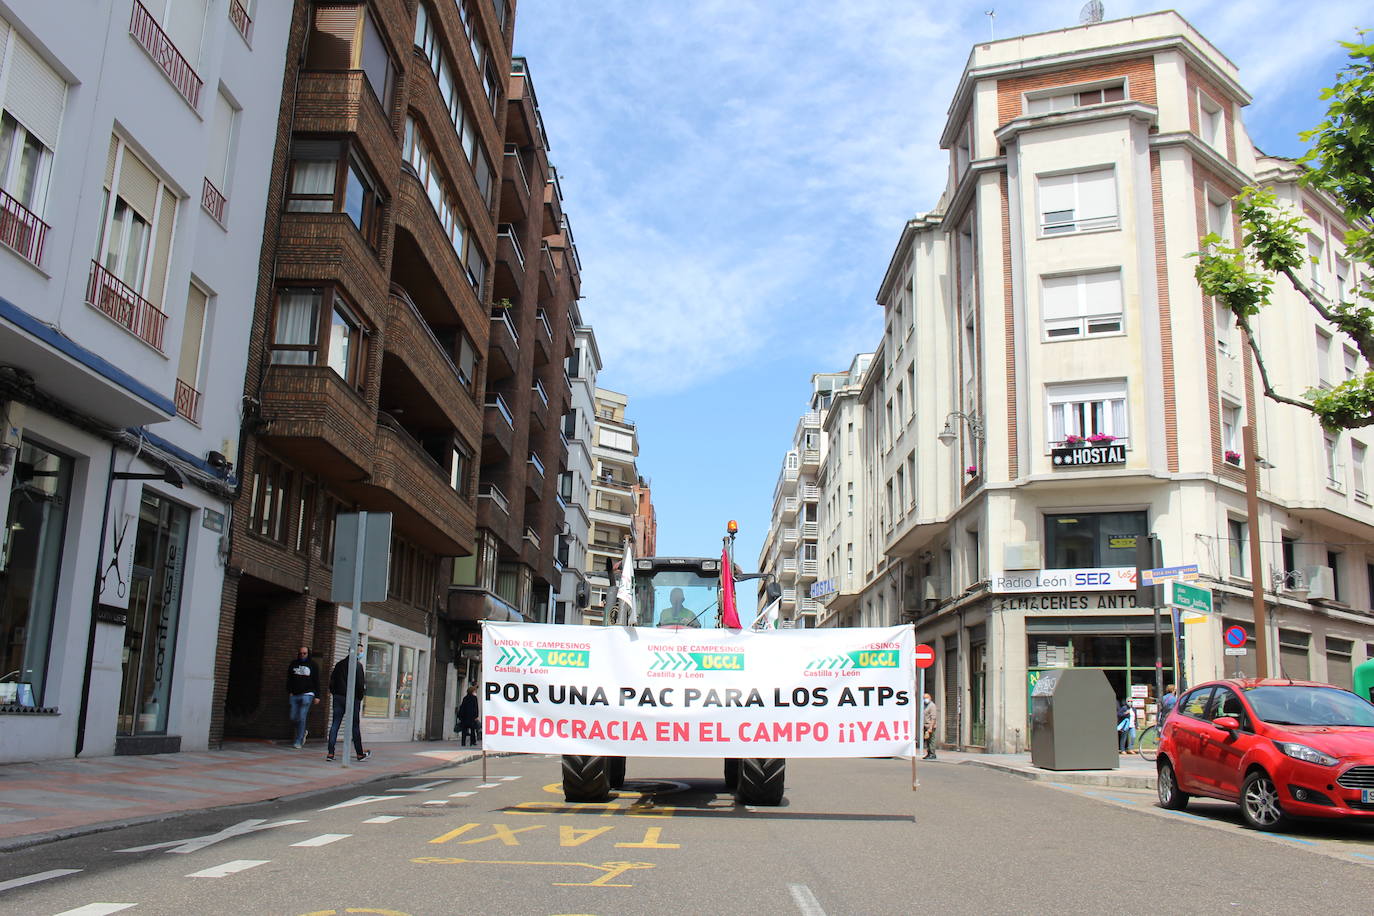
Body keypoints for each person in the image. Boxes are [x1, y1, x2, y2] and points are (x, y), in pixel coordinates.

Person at [328, 645, 371, 762]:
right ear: (355, 652)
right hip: (352, 699)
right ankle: (359, 754)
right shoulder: (358, 666)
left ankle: (330, 753)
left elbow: (332, 681)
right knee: (355, 726)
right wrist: (359, 698)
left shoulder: (339, 664)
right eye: (360, 651)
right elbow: (360, 685)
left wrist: (335, 693)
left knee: (335, 724)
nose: (362, 653)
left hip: (338, 697)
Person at [286, 646, 320, 749]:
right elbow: (289, 678)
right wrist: (290, 691)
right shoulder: (293, 664)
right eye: (300, 653)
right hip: (295, 694)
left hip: (308, 694)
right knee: (293, 717)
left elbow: (317, 681)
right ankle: (303, 731)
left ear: (308, 654)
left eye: (304, 653)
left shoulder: (313, 665)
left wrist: (317, 695)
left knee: (302, 716)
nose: (302, 655)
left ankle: (298, 740)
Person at [921, 693, 938, 760]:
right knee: (927, 741)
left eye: (926, 698)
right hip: (925, 726)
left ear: (930, 697)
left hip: (930, 726)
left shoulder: (932, 706)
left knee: (931, 741)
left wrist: (931, 727)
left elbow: (933, 717)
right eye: (924, 698)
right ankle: (928, 753)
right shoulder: (925, 705)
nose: (925, 699)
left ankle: (932, 754)